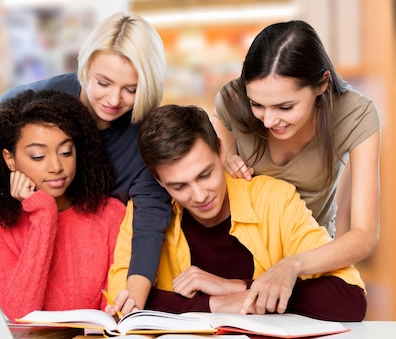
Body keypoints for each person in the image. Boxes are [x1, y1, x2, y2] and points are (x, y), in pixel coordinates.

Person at [107, 104, 366, 322]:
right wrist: (218, 304)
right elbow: (124, 304)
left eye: (205, 175)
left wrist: (240, 288)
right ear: (159, 181)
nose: (199, 196)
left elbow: (349, 299)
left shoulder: (274, 199)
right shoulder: (145, 212)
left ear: (221, 150)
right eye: (179, 186)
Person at [0, 12, 171, 313]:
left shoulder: (144, 136)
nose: (114, 100)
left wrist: (135, 293)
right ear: (86, 65)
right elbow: (1, 132)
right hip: (32, 247)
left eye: (131, 89)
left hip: (97, 264)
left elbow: (151, 218)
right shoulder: (37, 99)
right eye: (103, 82)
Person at [212, 20, 380, 315]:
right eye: (257, 105)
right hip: (241, 253)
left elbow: (365, 233)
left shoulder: (356, 114)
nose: (267, 121)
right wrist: (225, 155)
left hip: (308, 258)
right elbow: (216, 128)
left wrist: (292, 266)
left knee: (345, 303)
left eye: (285, 107)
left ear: (322, 84)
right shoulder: (232, 100)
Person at [0, 90, 126, 320]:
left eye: (66, 152)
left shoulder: (110, 214)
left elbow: (111, 315)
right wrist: (43, 213)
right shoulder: (0, 224)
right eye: (38, 156)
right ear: (9, 159)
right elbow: (20, 313)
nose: (56, 166)